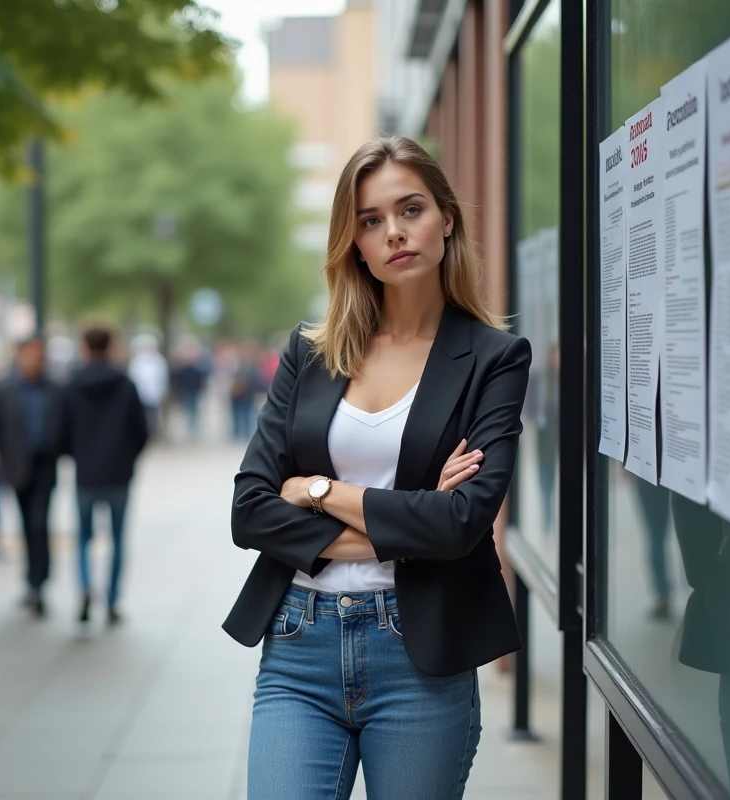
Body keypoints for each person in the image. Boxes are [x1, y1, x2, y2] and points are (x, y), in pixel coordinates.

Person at [224, 136, 531, 799]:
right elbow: (249, 509)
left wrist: (318, 490)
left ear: (446, 218)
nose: (393, 232)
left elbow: (462, 524)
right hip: (299, 642)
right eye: (370, 220)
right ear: (354, 243)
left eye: (410, 209)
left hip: (418, 652)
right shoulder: (312, 353)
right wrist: (412, 526)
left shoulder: (494, 359)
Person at [59, 325, 149, 626]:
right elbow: (142, 431)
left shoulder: (72, 383)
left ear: (85, 347)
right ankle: (111, 600)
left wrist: (79, 456)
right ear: (110, 347)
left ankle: (85, 586)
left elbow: (62, 430)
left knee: (83, 537)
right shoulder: (125, 383)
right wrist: (127, 457)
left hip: (86, 474)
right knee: (117, 538)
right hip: (119, 474)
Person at [0, 338, 61, 617]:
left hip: (45, 466)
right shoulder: (4, 390)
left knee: (39, 523)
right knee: (27, 525)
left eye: (40, 355)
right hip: (18, 466)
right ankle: (31, 581)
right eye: (31, 355)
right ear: (20, 356)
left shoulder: (54, 388)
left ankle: (39, 582)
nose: (36, 360)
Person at [127, 333, 169, 442]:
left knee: (152, 416)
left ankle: (152, 434)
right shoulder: (136, 361)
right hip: (140, 394)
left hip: (153, 394)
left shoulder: (158, 361)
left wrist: (161, 392)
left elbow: (162, 378)